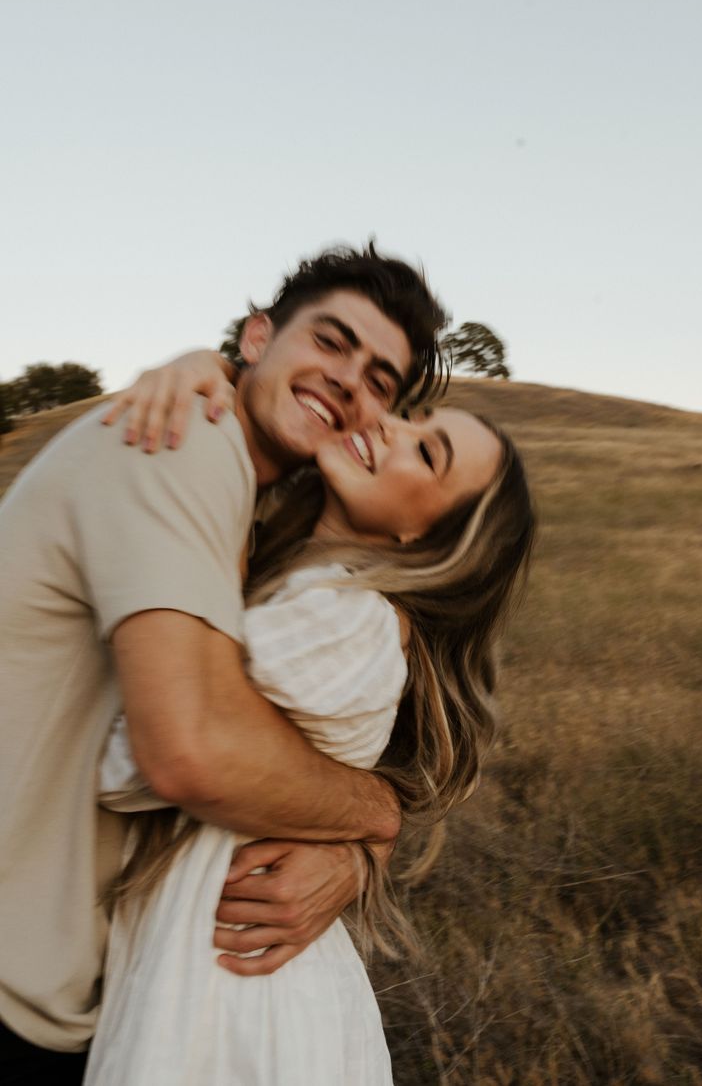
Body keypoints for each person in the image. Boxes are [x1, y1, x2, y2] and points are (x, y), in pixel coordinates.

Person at [0, 243, 448, 1085]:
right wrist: (376, 819)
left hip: (74, 986)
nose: (350, 379)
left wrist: (356, 852)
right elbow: (192, 751)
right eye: (330, 341)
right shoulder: (183, 441)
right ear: (255, 338)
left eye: (380, 380)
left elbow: (286, 730)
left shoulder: (249, 512)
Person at [82, 354, 535, 1084]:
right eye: (411, 417)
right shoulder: (290, 573)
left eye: (427, 451)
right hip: (207, 961)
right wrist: (207, 367)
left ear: (431, 536)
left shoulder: (345, 621)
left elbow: (127, 761)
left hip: (233, 993)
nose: (386, 425)